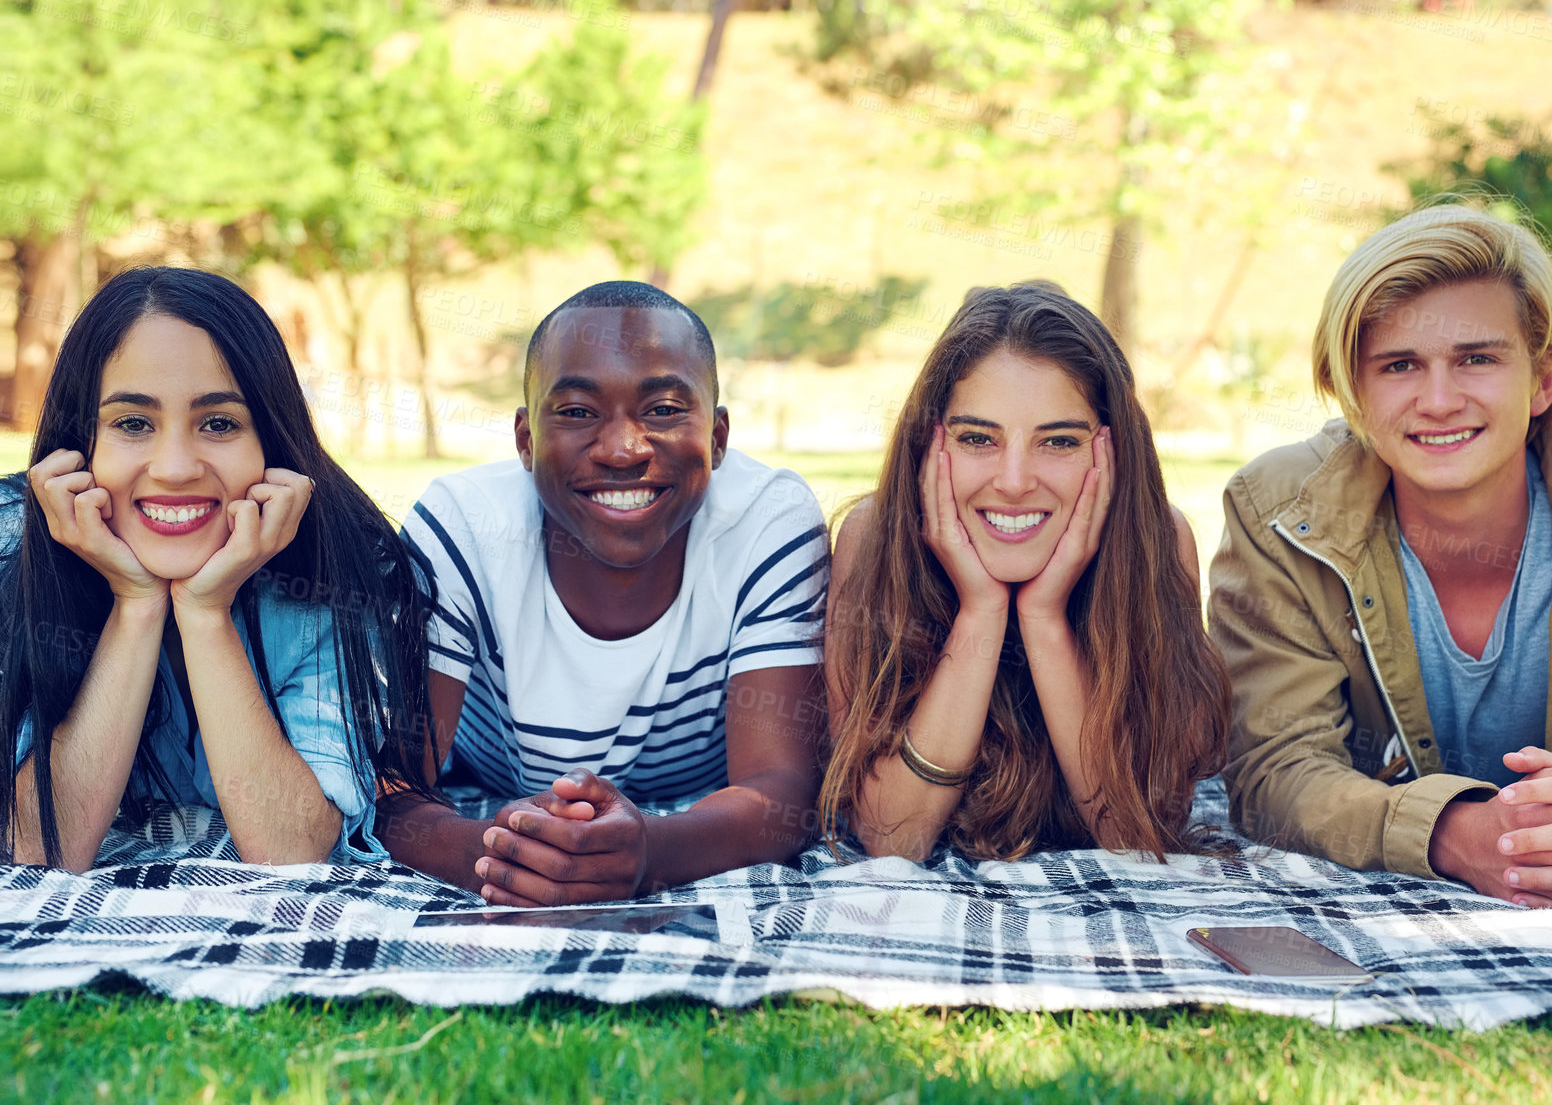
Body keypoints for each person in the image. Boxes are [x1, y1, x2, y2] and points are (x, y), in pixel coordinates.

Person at [1211, 203, 1552, 908]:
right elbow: (1277, 770)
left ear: (1543, 378)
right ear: (1355, 391)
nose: (1437, 399)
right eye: (1398, 365)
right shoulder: (1275, 515)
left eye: (1475, 359)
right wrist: (1455, 833)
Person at [382, 281, 828, 905]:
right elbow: (392, 785)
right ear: (525, 440)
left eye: (665, 410)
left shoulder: (768, 519)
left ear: (719, 437)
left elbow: (780, 789)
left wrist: (647, 852)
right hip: (490, 781)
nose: (623, 449)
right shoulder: (462, 525)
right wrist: (504, 856)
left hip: (685, 800)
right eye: (577, 412)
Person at [1, 266, 435, 871]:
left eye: (219, 423)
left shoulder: (343, 569)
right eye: (132, 423)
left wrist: (206, 613)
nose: (175, 467)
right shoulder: (13, 547)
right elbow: (42, 849)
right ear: (79, 446)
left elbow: (289, 848)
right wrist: (136, 602)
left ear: (271, 445)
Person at [819, 282, 1232, 862]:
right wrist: (981, 611)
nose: (1014, 481)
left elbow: (1136, 833)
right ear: (929, 444)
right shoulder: (874, 541)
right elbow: (893, 837)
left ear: (1112, 452)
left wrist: (1044, 617)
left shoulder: (1158, 543)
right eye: (977, 438)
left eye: (1058, 441)